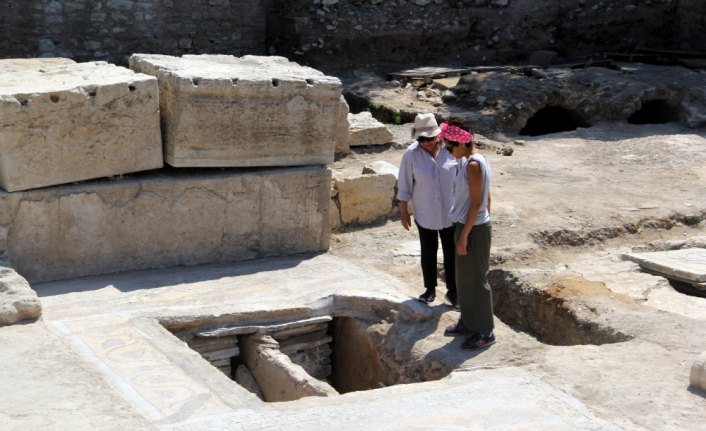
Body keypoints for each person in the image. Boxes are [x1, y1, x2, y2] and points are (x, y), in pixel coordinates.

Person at [440, 123, 495, 350]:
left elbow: (476, 204)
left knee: (477, 281)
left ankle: (484, 331)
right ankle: (467, 322)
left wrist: (465, 236)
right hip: (468, 225)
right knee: (463, 279)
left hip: (472, 228)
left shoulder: (474, 165)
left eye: (450, 148)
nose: (448, 152)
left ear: (462, 144)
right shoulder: (466, 161)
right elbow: (488, 198)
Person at [397, 113, 458, 307]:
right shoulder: (411, 154)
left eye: (430, 138)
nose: (426, 143)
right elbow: (405, 185)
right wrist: (404, 211)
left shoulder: (451, 150)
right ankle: (429, 289)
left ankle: (453, 291)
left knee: (452, 252)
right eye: (421, 139)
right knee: (428, 251)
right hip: (425, 212)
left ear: (438, 135)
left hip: (451, 213)